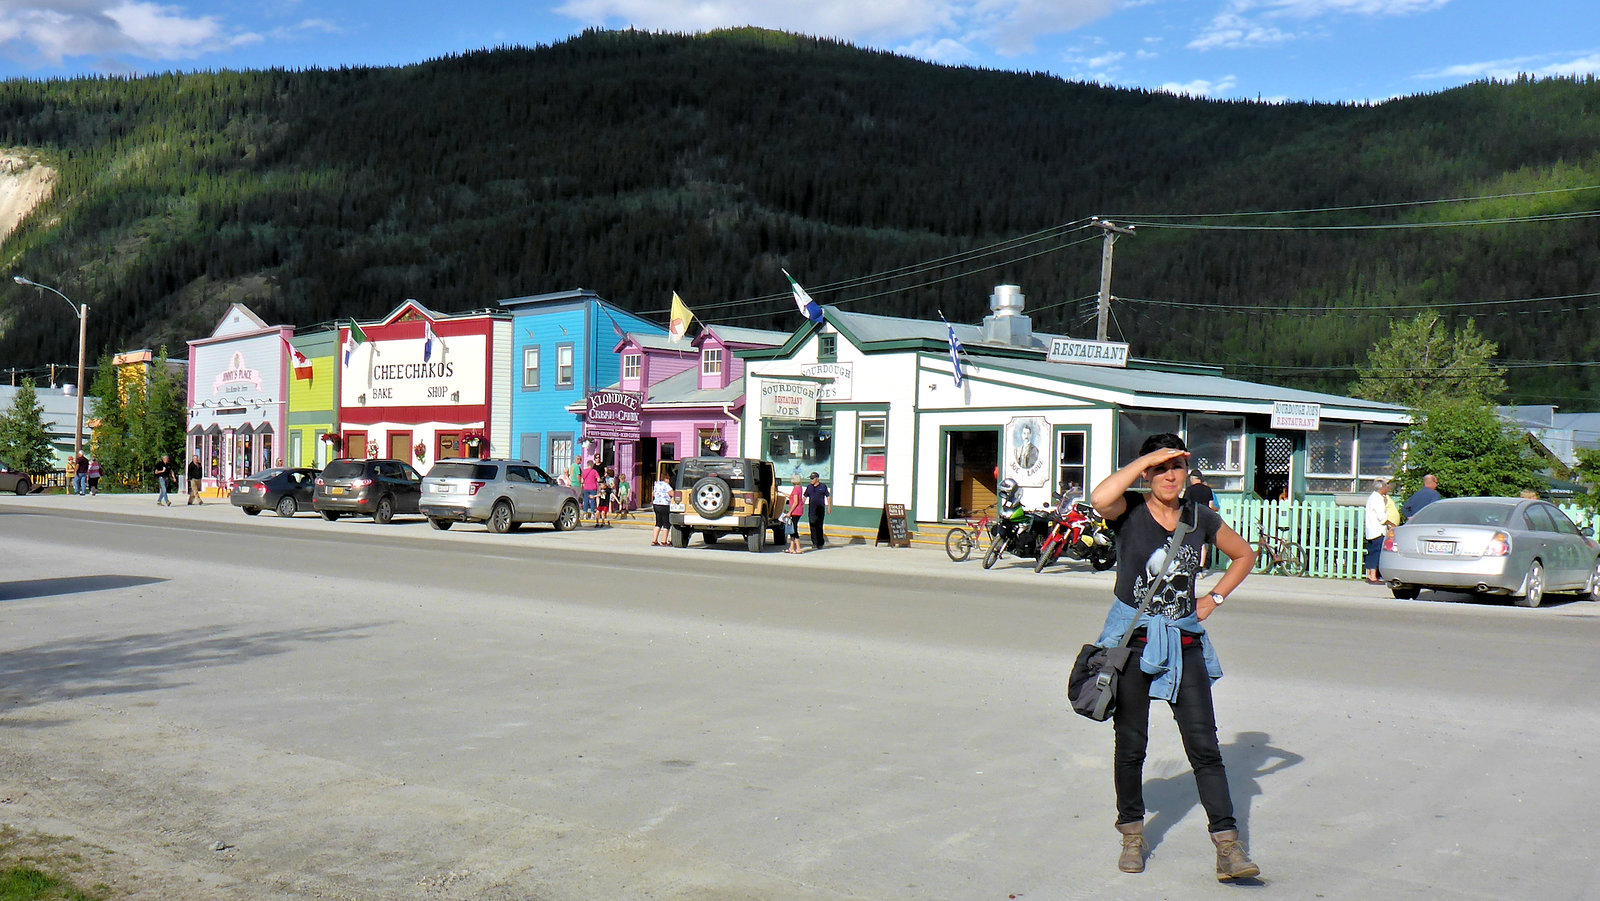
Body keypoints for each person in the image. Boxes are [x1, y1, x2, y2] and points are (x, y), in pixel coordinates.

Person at [1089, 433, 1260, 881]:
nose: (1169, 476)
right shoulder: (1127, 512)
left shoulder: (1198, 516)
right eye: (1160, 469)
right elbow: (1099, 496)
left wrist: (1214, 599)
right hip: (1133, 645)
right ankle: (1131, 834)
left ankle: (1228, 847)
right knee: (1131, 746)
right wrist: (1148, 456)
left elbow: (1243, 554)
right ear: (1146, 474)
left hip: (1184, 645)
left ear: (1187, 473)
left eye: (1177, 467)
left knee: (1205, 748)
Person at [1185, 472, 1219, 568]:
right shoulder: (1208, 490)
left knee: (1191, 541)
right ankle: (1201, 566)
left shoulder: (1189, 490)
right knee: (1203, 544)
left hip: (1193, 518)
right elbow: (1211, 506)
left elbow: (1186, 505)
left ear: (1192, 478)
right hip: (1205, 518)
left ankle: (1191, 564)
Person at [1364, 478, 1392, 584]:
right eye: (1387, 486)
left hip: (1371, 530)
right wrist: (1392, 524)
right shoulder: (1378, 499)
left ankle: (1370, 575)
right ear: (1383, 487)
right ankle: (1373, 576)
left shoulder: (1373, 497)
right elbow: (1382, 518)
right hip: (1377, 531)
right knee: (1376, 553)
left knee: (1372, 552)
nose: (1388, 488)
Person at [803, 471, 831, 550]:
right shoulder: (809, 487)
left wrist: (829, 507)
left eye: (812, 478)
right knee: (812, 526)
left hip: (820, 509)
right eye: (810, 478)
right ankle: (814, 543)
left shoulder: (823, 486)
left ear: (817, 479)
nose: (811, 480)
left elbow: (828, 497)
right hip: (812, 510)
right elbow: (804, 497)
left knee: (819, 526)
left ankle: (820, 543)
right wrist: (801, 506)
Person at [785, 474, 806, 554]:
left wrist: (790, 512)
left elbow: (796, 502)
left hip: (795, 511)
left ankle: (798, 548)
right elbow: (791, 497)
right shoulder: (799, 488)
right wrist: (781, 492)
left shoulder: (796, 489)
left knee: (794, 530)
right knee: (792, 529)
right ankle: (791, 547)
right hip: (798, 511)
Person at [650, 475, 673, 546]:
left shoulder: (656, 484)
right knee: (666, 524)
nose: (669, 481)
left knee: (658, 523)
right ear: (666, 479)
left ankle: (654, 540)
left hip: (656, 504)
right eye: (668, 479)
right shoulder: (666, 485)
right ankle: (664, 541)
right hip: (665, 505)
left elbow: (653, 494)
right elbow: (672, 493)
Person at [579, 457, 601, 522]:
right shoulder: (594, 471)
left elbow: (582, 480)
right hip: (593, 487)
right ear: (592, 465)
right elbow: (598, 479)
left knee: (586, 500)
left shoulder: (584, 471)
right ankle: (592, 513)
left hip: (586, 488)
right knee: (593, 501)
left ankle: (585, 513)